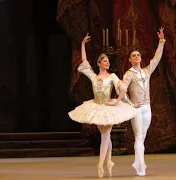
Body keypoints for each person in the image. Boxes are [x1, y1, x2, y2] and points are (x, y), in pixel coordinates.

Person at [68, 34, 138, 178]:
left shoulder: (112, 77)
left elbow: (123, 87)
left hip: (109, 108)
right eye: (105, 61)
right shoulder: (94, 76)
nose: (107, 63)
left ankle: (100, 164)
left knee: (105, 135)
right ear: (99, 63)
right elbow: (84, 60)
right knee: (104, 135)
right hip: (96, 107)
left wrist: (117, 101)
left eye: (108, 61)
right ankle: (109, 161)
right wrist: (82, 44)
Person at [122, 27, 166, 176]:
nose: (136, 56)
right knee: (138, 136)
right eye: (133, 55)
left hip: (147, 107)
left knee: (143, 136)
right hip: (136, 109)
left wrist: (161, 41)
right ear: (129, 59)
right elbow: (121, 91)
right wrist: (130, 103)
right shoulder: (128, 74)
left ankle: (139, 162)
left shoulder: (146, 71)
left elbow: (156, 58)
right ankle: (140, 167)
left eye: (138, 55)